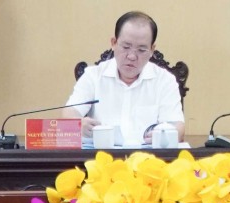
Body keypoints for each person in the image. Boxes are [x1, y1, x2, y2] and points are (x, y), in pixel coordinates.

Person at [67, 11, 185, 146]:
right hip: (102, 155)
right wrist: (78, 124)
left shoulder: (165, 80)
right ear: (113, 43)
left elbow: (178, 127)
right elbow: (70, 112)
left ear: (152, 50)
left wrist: (167, 135)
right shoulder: (93, 76)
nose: (132, 56)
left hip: (148, 156)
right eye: (126, 47)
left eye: (141, 50)